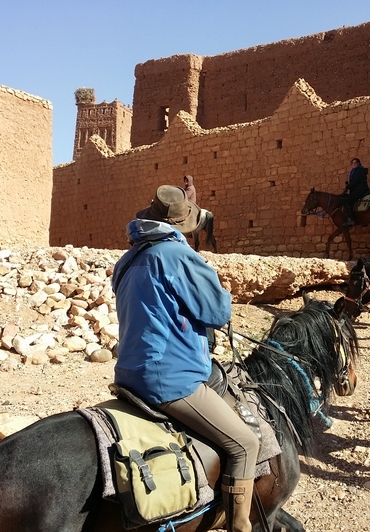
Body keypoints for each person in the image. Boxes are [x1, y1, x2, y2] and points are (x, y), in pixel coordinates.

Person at [115, 185, 258, 532]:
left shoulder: (128, 259)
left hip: (129, 372)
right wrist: (218, 288)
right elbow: (218, 312)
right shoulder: (177, 256)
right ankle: (239, 525)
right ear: (181, 224)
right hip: (170, 377)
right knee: (245, 443)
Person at [340, 158, 370, 227]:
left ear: (358, 163)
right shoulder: (355, 171)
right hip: (359, 189)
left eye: (355, 163)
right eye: (353, 163)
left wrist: (347, 186)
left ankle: (350, 219)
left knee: (345, 201)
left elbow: (355, 181)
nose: (354, 164)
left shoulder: (359, 171)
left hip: (360, 190)